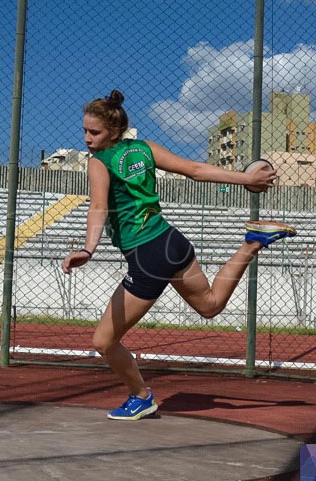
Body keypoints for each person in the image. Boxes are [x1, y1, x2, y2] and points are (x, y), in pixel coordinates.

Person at [62, 90, 297, 420]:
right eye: (85, 131)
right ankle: (252, 243)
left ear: (113, 132)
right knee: (211, 305)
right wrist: (246, 179)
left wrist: (89, 249)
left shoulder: (99, 163)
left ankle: (141, 396)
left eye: (94, 132)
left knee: (103, 341)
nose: (87, 139)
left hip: (148, 255)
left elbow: (99, 206)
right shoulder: (145, 149)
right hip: (172, 241)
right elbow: (195, 170)